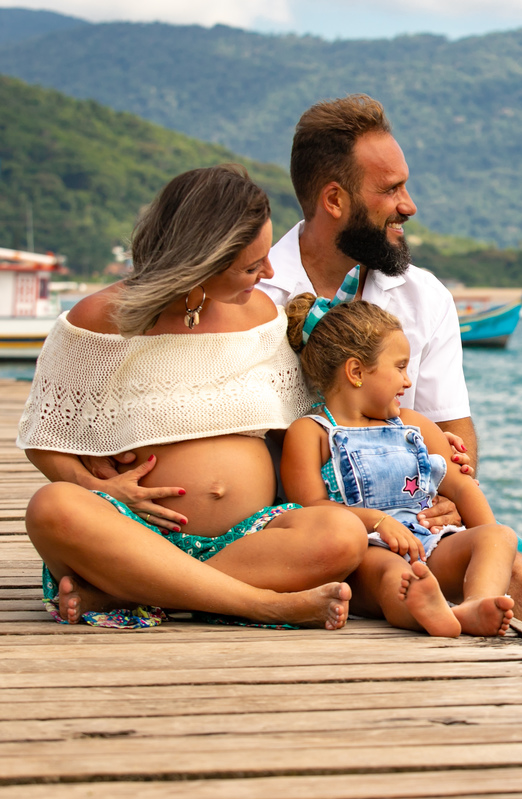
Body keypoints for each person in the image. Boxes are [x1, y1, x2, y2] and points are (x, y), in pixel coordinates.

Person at [259, 94, 522, 651]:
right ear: (334, 199)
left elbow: (452, 431)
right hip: (316, 520)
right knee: (520, 578)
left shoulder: (423, 294)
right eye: (389, 190)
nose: (408, 205)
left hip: (415, 512)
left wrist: (449, 497)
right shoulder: (257, 294)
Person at [18, 164, 366, 630]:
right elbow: (46, 436)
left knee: (342, 534)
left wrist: (427, 454)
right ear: (202, 260)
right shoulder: (99, 320)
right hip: (133, 532)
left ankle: (130, 592)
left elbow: (315, 427)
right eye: (250, 265)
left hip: (249, 539)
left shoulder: (264, 319)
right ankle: (260, 605)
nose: (268, 273)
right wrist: (97, 488)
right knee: (52, 507)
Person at [281, 295, 517, 637]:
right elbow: (309, 510)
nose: (407, 381)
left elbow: (463, 488)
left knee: (500, 536)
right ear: (357, 372)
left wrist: (485, 539)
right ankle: (421, 609)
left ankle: (475, 605)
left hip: (427, 543)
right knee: (394, 573)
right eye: (400, 367)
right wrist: (378, 522)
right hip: (363, 555)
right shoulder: (312, 432)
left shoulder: (413, 425)